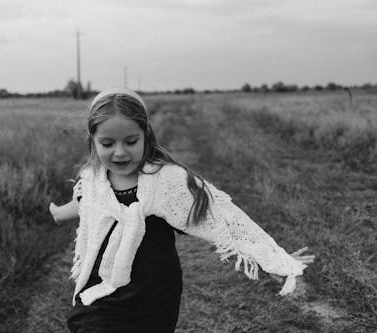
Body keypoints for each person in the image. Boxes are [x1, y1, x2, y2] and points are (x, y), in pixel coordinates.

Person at [49, 88, 315, 332]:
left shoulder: (167, 181)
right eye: (107, 144)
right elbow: (86, 205)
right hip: (100, 297)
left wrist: (272, 259)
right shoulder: (93, 180)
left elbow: (223, 219)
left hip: (153, 300)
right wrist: (60, 213)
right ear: (93, 141)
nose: (119, 153)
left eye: (130, 141)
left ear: (146, 136)